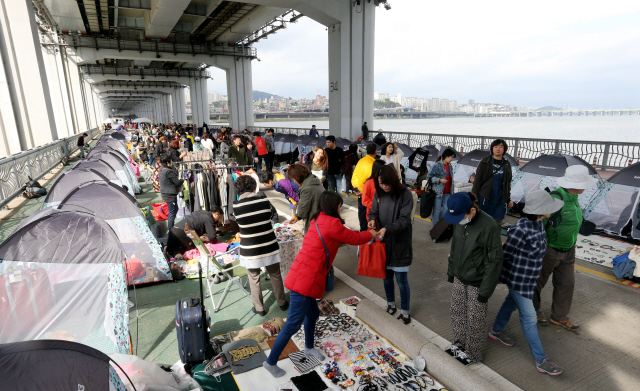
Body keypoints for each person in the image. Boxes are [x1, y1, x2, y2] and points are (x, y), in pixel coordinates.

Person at [263, 191, 377, 378]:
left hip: (304, 275)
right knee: (292, 324)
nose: (341, 208)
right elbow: (354, 239)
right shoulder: (332, 223)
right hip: (306, 280)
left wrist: (366, 234)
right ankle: (270, 362)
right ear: (334, 206)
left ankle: (308, 347)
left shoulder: (319, 219)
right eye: (340, 205)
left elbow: (346, 235)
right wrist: (371, 234)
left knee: (313, 313)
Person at [488, 190, 565, 376]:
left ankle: (496, 330)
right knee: (529, 318)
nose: (552, 210)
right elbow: (505, 254)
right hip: (519, 280)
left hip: (530, 279)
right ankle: (541, 359)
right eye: (549, 207)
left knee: (510, 303)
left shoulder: (539, 223)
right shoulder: (521, 228)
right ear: (539, 210)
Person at [533, 165, 597, 331]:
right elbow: (538, 224)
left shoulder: (574, 199)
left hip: (569, 250)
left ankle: (559, 316)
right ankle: (533, 311)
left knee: (567, 284)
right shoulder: (555, 199)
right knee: (536, 283)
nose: (585, 187)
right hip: (549, 250)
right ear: (575, 184)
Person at [445, 192, 503, 363]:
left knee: (475, 319)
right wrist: (451, 272)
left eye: (461, 216)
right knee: (456, 311)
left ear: (471, 210)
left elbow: (494, 261)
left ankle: (473, 353)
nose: (458, 221)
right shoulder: (459, 221)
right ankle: (459, 344)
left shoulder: (489, 226)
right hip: (459, 276)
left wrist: (485, 291)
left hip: (477, 281)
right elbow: (454, 248)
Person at [233, 176, 287, 317]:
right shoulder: (264, 200)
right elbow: (270, 215)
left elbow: (239, 223)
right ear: (253, 187)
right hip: (269, 245)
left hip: (250, 249)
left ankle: (259, 308)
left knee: (254, 278)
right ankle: (282, 302)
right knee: (275, 274)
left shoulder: (236, 206)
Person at [368, 165, 415, 324]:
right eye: (381, 183)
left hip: (400, 244)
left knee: (402, 280)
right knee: (386, 277)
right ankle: (390, 304)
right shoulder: (378, 193)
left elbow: (404, 220)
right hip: (383, 244)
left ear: (394, 180)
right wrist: (372, 221)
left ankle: (405, 311)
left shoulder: (405, 194)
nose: (384, 186)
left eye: (387, 183)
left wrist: (386, 228)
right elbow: (373, 212)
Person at [472, 139, 514, 223]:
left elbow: (507, 184)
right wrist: (473, 198)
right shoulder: (485, 162)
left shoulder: (506, 164)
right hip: (485, 198)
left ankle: (495, 236)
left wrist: (508, 199)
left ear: (504, 149)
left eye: (500, 147)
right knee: (482, 222)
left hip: (500, 200)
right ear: (492, 148)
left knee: (497, 223)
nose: (498, 149)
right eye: (495, 147)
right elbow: (477, 181)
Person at [287, 164, 324, 233]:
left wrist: (298, 216)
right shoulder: (313, 180)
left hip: (315, 223)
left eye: (294, 179)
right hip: (321, 219)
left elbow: (302, 210)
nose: (294, 182)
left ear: (298, 177)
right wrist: (296, 217)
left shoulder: (307, 188)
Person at [427, 148, 457, 226]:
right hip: (438, 192)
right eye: (452, 157)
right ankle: (435, 228)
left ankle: (436, 220)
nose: (452, 159)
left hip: (447, 192)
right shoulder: (437, 165)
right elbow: (429, 178)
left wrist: (452, 189)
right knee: (436, 211)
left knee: (447, 209)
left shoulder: (450, 166)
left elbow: (451, 180)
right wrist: (439, 180)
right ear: (447, 156)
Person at [352, 144, 378, 231]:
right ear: (375, 152)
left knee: (362, 213)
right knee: (370, 215)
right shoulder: (374, 164)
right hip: (370, 195)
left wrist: (357, 188)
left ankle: (362, 232)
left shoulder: (361, 161)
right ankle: (369, 234)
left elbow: (355, 176)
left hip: (360, 192)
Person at [159, 154, 185, 230]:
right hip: (170, 195)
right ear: (168, 162)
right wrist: (182, 180)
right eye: (171, 161)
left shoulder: (161, 169)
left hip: (165, 194)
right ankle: (170, 229)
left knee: (174, 209)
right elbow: (177, 182)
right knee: (172, 213)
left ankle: (171, 227)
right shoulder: (169, 172)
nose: (172, 162)